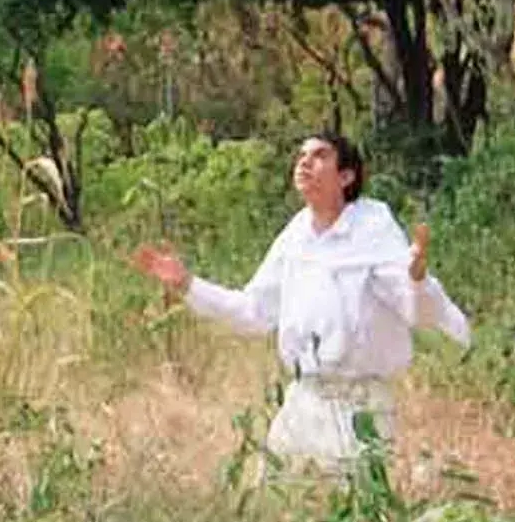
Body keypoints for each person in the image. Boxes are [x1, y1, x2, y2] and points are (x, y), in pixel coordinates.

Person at [131, 132, 471, 476]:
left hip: (359, 406)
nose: (305, 162)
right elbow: (254, 312)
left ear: (346, 176)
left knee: (355, 517)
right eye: (301, 156)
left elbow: (414, 308)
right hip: (303, 402)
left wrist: (417, 279)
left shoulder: (372, 228)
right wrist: (189, 285)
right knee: (276, 505)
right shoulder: (296, 235)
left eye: (320, 155)